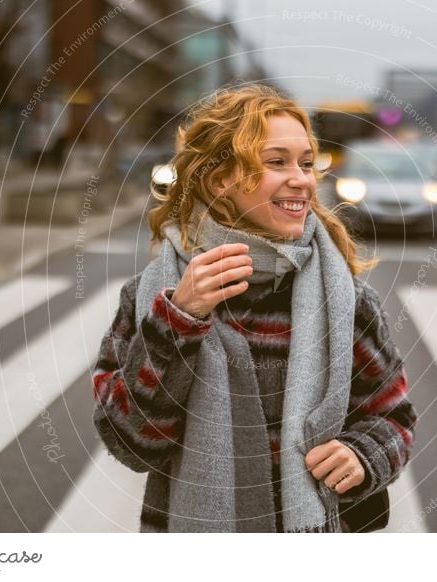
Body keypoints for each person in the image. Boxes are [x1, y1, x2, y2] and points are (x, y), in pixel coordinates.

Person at [92, 83, 417, 533]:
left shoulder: (344, 298)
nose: (301, 179)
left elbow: (392, 416)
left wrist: (363, 455)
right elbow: (132, 442)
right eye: (276, 162)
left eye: (306, 163)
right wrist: (179, 320)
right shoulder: (155, 296)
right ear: (219, 178)